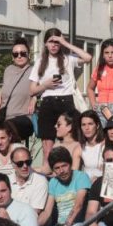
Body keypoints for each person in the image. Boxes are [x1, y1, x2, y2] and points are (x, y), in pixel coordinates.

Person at [29, 30, 92, 160]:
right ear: (45, 43)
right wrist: (45, 85)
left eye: (56, 42)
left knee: (71, 139)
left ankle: (72, 169)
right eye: (51, 41)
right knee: (47, 144)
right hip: (47, 102)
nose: (54, 45)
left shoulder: (68, 59)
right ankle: (48, 173)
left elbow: (88, 58)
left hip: (66, 101)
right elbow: (32, 90)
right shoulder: (40, 62)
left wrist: (65, 43)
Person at [38, 147, 91, 226]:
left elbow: (78, 205)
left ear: (70, 164)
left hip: (79, 224)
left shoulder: (81, 177)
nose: (61, 171)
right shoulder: (53, 182)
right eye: (57, 168)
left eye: (64, 166)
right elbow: (47, 212)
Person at [0, 38, 35, 141]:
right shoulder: (8, 70)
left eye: (23, 53)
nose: (19, 56)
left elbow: (40, 87)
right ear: (12, 57)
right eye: (16, 54)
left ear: (28, 55)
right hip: (5, 116)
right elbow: (7, 86)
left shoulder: (34, 71)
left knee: (6, 131)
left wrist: (35, 98)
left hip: (23, 118)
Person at [8, 146, 49, 218]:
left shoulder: (40, 181)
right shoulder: (6, 181)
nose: (25, 166)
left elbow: (34, 213)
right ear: (13, 164)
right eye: (20, 163)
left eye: (28, 162)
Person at [77, 111, 106, 181]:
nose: (87, 128)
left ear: (97, 125)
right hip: (86, 185)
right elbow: (74, 173)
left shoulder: (106, 144)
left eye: (90, 124)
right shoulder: (79, 148)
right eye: (83, 125)